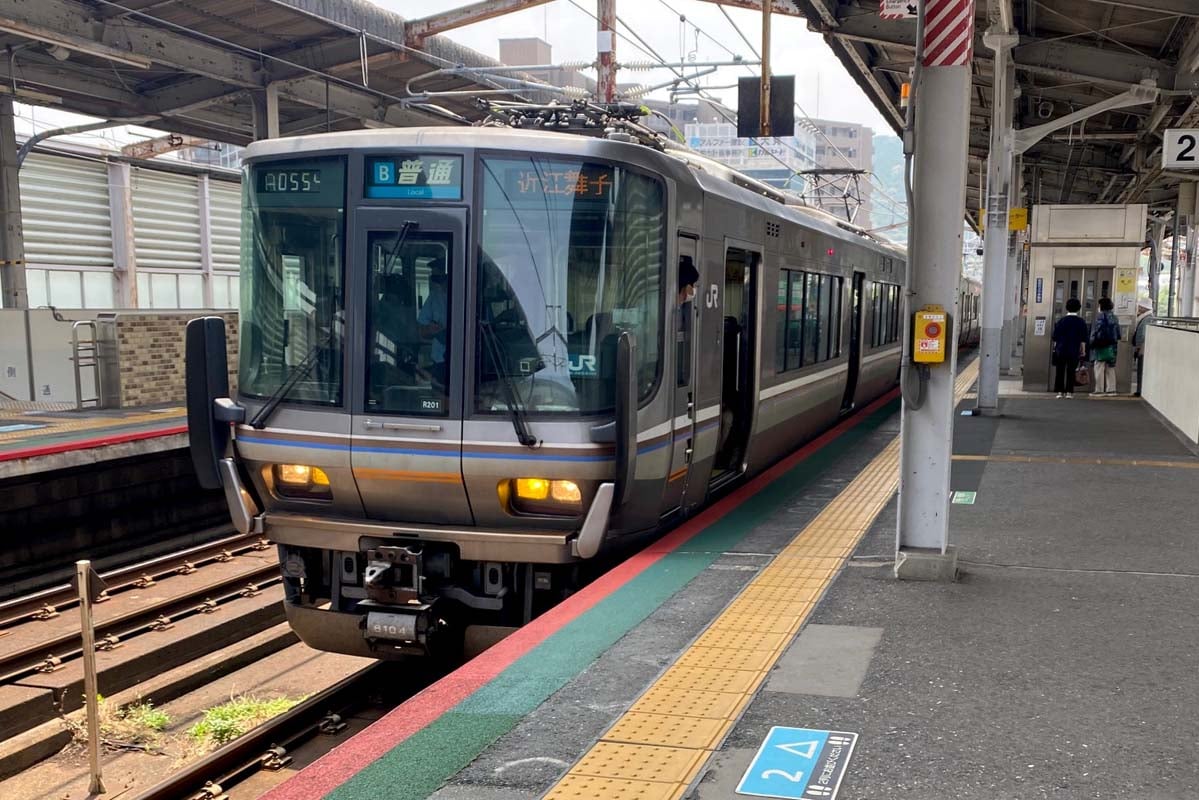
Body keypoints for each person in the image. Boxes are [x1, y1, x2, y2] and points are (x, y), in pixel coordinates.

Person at [418, 259, 449, 390]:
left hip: (466, 359)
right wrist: (431, 330)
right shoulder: (433, 298)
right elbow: (421, 330)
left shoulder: (471, 295)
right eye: (434, 278)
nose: (437, 281)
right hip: (439, 362)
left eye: (439, 277)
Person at [1051, 298, 1088, 398]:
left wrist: (1055, 348)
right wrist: (1083, 351)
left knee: (1060, 371)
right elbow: (1083, 339)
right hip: (1074, 350)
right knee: (1071, 371)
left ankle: (1059, 392)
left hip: (1061, 349)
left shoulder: (1061, 321)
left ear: (1067, 308)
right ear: (1078, 308)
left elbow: (1055, 337)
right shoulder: (1081, 322)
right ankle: (1069, 392)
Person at [1090, 297, 1121, 396]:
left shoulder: (1100, 316)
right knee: (1110, 367)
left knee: (1099, 367)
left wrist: (1091, 342)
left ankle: (1099, 390)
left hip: (1101, 345)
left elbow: (1096, 331)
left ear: (1101, 306)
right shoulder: (1115, 317)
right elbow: (1118, 333)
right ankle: (1111, 390)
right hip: (1112, 346)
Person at [1133, 309, 1154, 397]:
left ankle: (1140, 390)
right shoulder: (1146, 318)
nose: (1138, 308)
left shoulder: (1146, 319)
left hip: (1142, 347)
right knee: (1141, 369)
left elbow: (1142, 335)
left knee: (1141, 370)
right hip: (1142, 347)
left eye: (1141, 306)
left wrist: (1138, 347)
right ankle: (1140, 389)